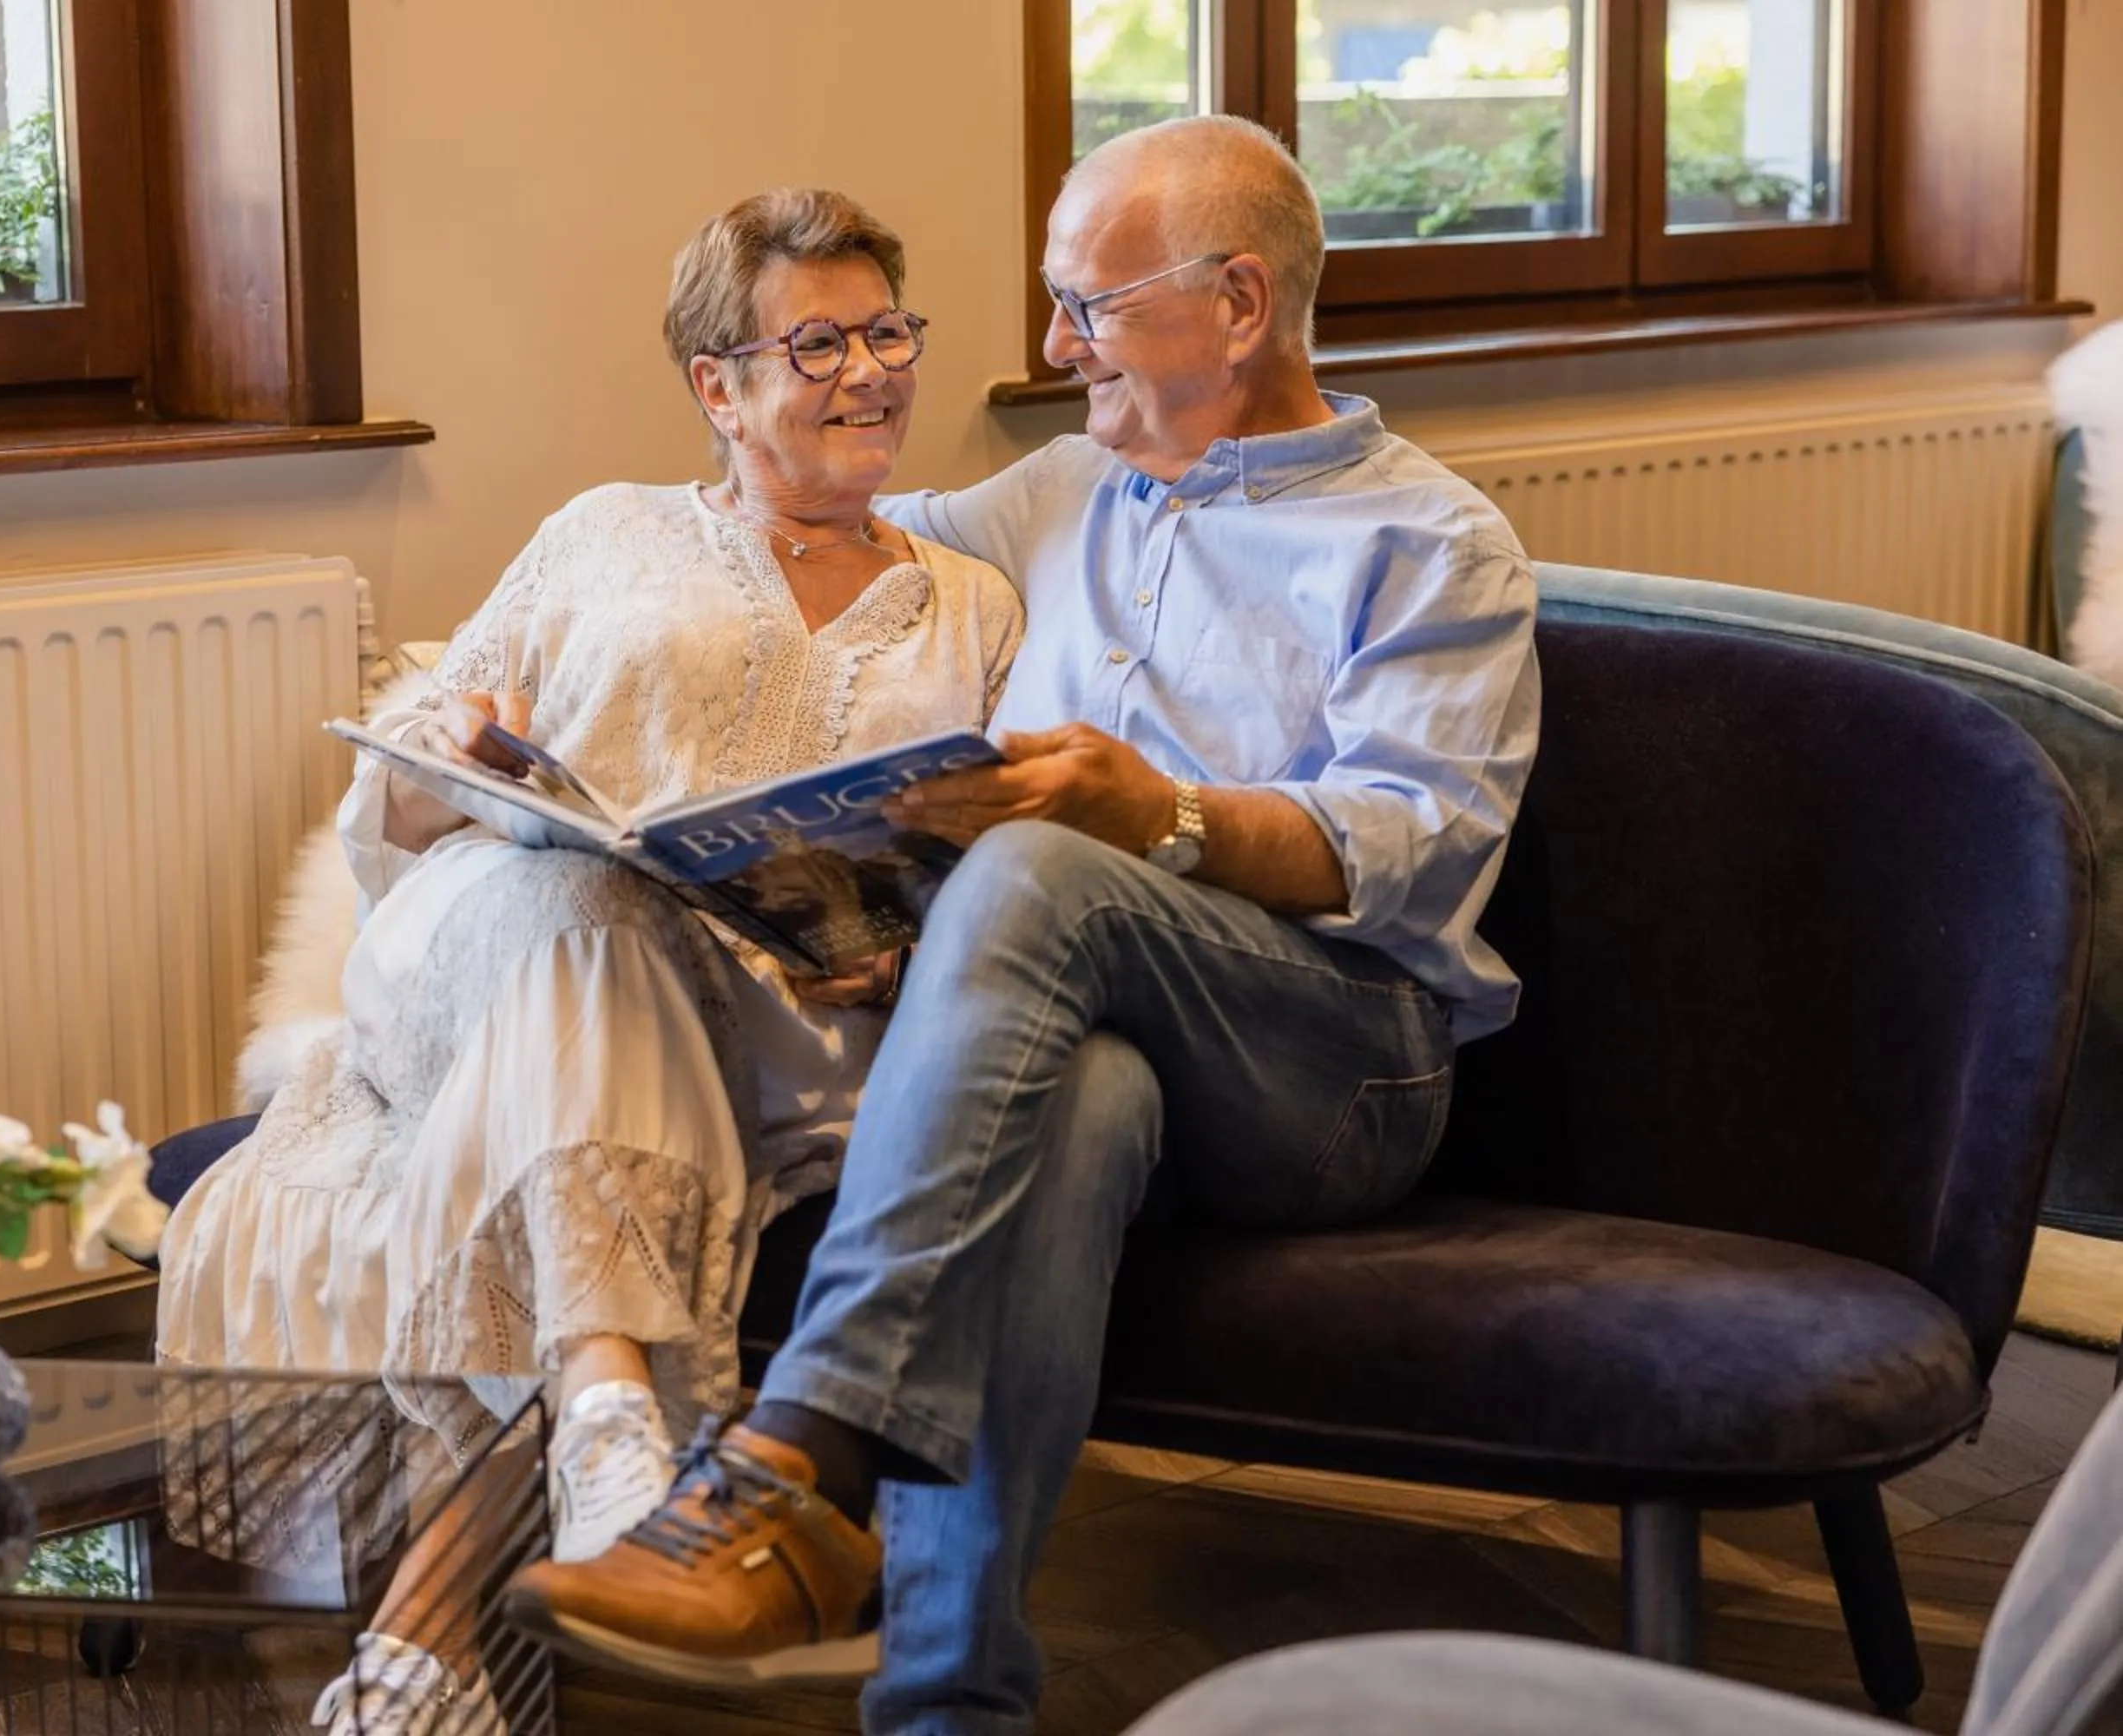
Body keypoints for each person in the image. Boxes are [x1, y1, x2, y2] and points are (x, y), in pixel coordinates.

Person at [503, 114, 1544, 1736]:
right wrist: (560, 657)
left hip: (1341, 1068)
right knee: (1079, 1100)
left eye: (1090, 304)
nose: (1053, 347)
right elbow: (811, 537)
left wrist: (1163, 819)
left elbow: (1413, 848)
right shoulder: (1058, 496)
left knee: (1048, 866)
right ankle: (949, 1703)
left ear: (1242, 307)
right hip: (1116, 1049)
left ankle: (796, 1460)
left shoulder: (1432, 542)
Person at [153, 187, 1024, 1733]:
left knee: (596, 1076)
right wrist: (440, 748)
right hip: (487, 953)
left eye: (888, 330)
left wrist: (891, 950)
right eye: (817, 340)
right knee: (593, 917)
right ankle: (612, 1418)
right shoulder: (603, 532)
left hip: (783, 1024)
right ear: (719, 385)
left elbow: (993, 864)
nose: (870, 370)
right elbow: (404, 812)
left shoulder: (978, 604)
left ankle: (430, 1646)